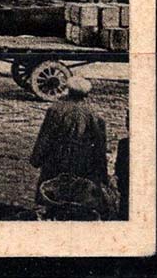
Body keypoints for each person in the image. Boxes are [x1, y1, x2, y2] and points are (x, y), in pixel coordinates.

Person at [29, 76, 110, 211]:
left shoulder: (55, 110)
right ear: (86, 94)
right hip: (82, 160)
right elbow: (100, 146)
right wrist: (102, 173)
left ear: (69, 91)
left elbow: (45, 137)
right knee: (78, 196)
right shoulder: (94, 114)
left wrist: (36, 159)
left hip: (56, 158)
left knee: (52, 193)